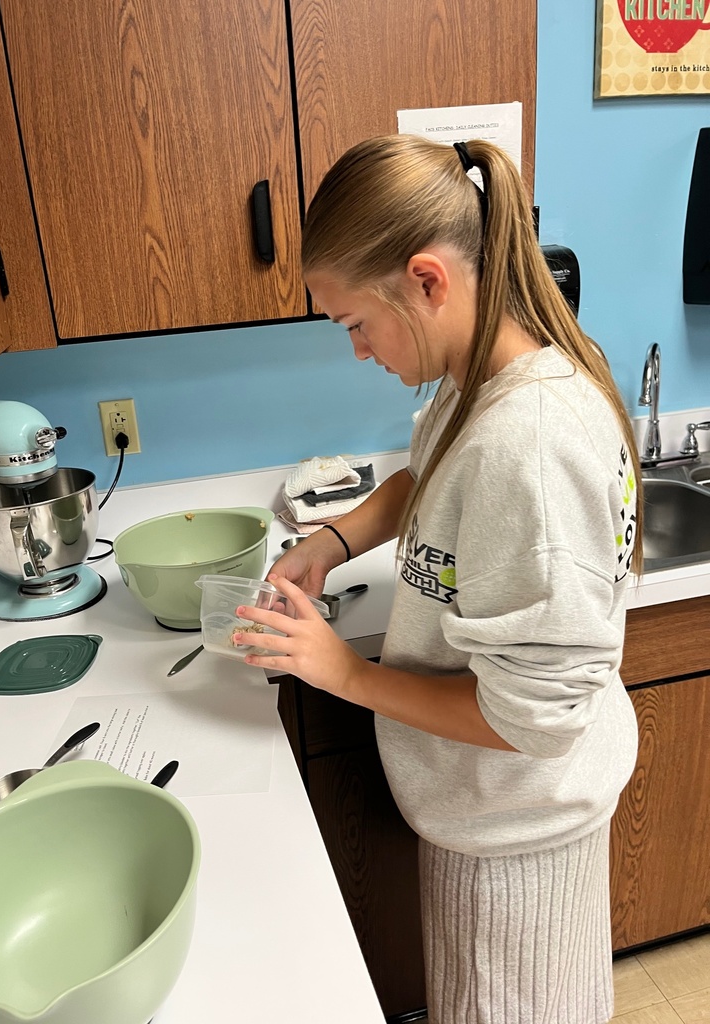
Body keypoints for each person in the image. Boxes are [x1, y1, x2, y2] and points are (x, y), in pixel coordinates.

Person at [231, 134, 642, 1024]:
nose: (357, 351)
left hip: (515, 836)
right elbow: (431, 479)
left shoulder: (529, 444)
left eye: (355, 325)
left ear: (426, 281)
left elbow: (528, 722)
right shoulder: (480, 380)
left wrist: (340, 671)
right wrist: (336, 540)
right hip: (488, 819)